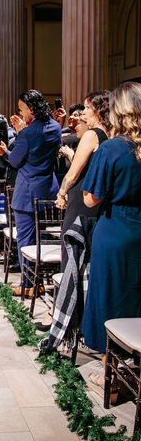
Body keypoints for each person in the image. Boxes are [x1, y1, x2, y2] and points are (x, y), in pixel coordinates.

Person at [81, 82, 141, 390]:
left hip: (115, 229)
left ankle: (110, 373)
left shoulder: (112, 148)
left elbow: (91, 197)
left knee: (110, 296)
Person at [0, 90, 61, 296]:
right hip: (49, 189)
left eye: (21, 109)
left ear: (31, 109)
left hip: (27, 193)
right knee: (43, 238)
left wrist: (5, 151)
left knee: (25, 240)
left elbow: (15, 161)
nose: (20, 114)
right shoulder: (55, 127)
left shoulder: (28, 133)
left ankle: (29, 285)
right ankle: (39, 280)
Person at [56, 90, 110, 268]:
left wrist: (62, 193)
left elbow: (74, 172)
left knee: (72, 246)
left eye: (87, 107)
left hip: (81, 198)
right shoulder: (110, 135)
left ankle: (70, 291)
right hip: (97, 199)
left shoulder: (91, 135)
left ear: (99, 111)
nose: (84, 112)